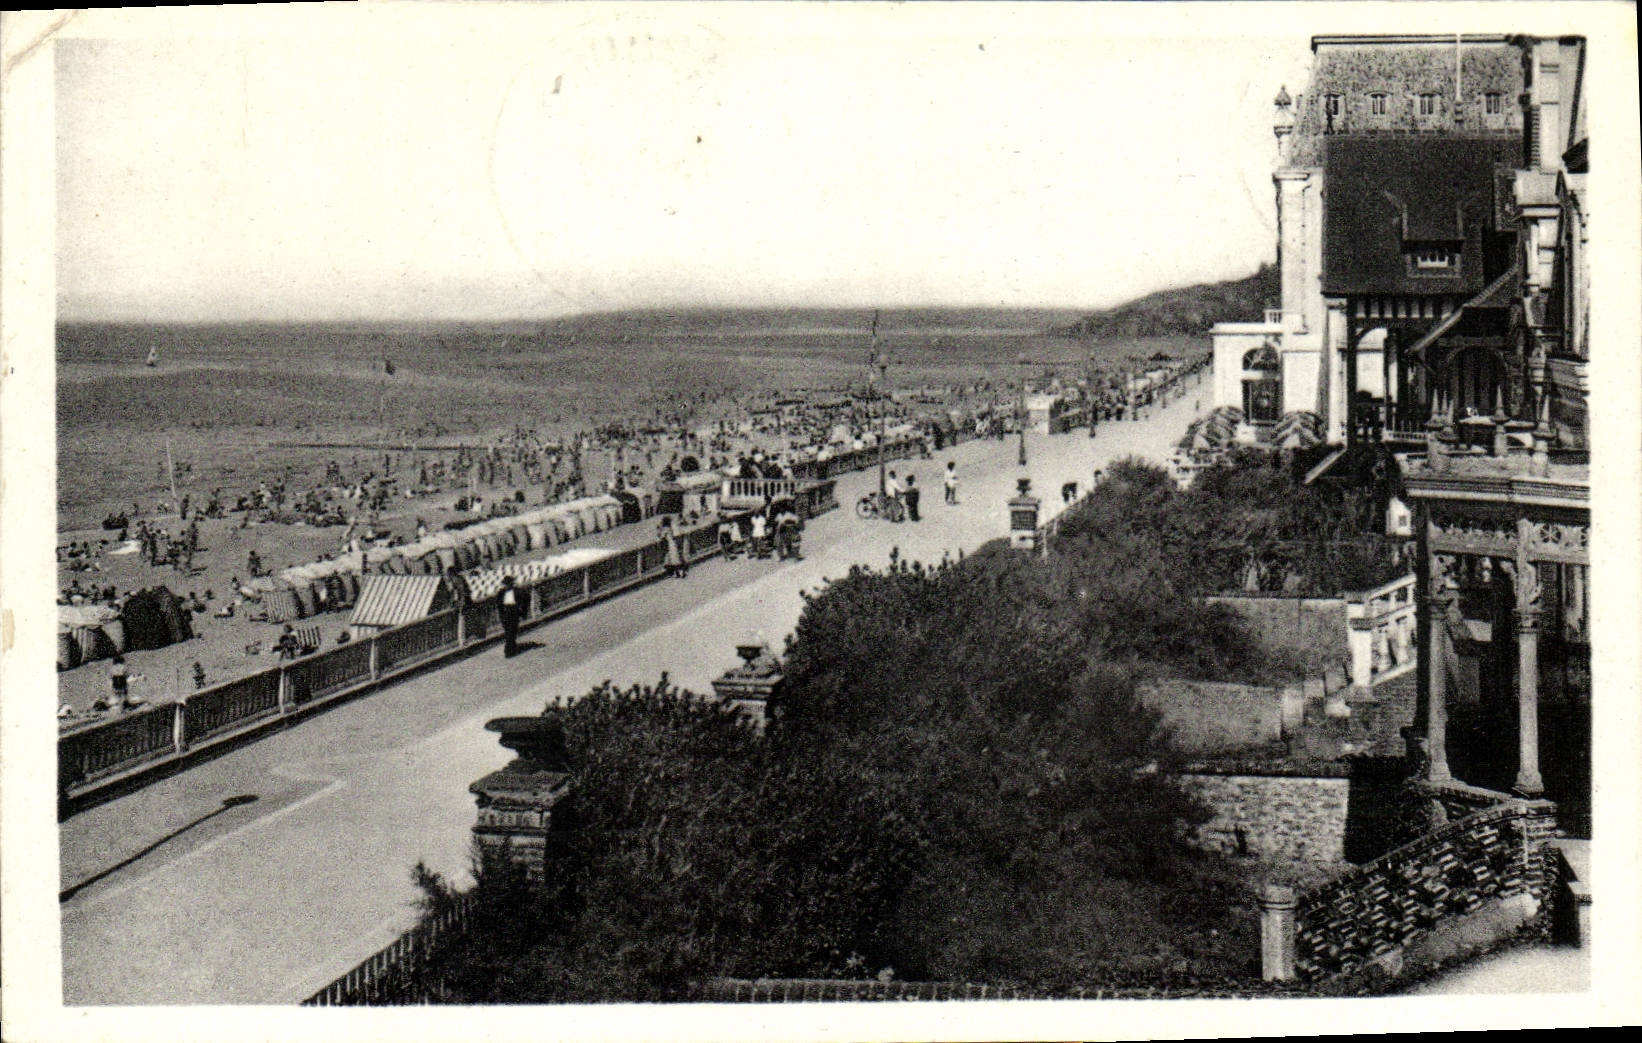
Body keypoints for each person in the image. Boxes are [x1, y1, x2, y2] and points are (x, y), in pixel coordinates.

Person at [498, 575, 523, 658]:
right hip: (505, 613)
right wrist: (501, 615)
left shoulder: (516, 591)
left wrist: (520, 611)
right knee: (508, 632)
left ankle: (512, 647)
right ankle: (508, 650)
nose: (507, 586)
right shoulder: (501, 593)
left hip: (514, 612)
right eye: (506, 584)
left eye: (509, 584)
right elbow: (499, 605)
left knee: (513, 631)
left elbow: (521, 601)